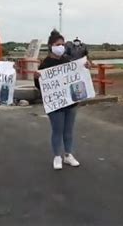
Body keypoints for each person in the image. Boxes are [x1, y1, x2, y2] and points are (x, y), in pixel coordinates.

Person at [34, 30, 86, 170]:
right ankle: (57, 156)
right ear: (51, 46)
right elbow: (41, 86)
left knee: (68, 131)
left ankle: (68, 155)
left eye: (63, 44)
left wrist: (84, 69)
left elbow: (76, 78)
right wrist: (36, 78)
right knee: (57, 130)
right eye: (58, 44)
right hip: (55, 104)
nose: (61, 47)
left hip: (70, 103)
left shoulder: (67, 61)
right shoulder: (45, 64)